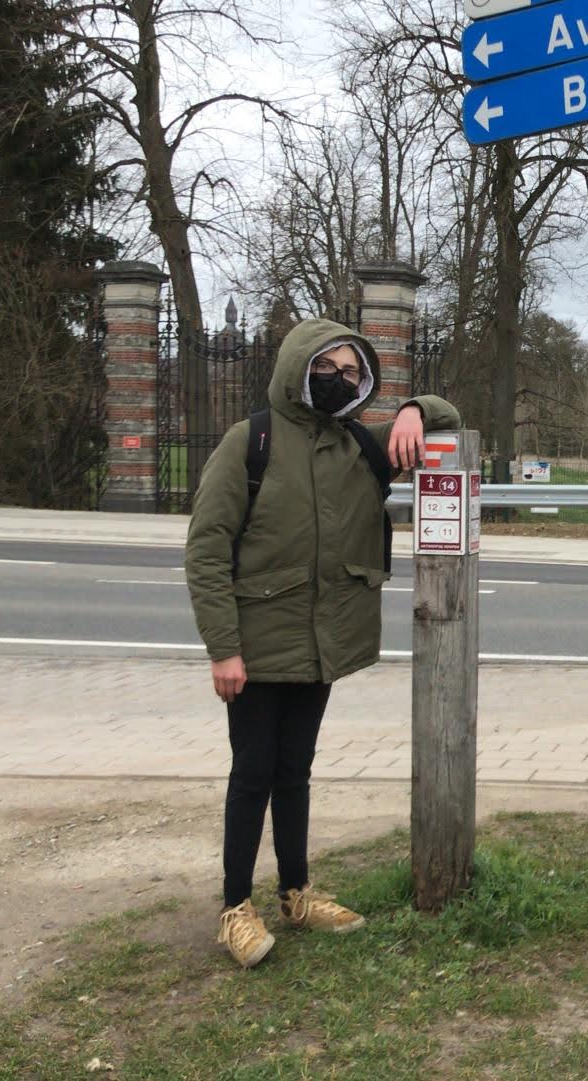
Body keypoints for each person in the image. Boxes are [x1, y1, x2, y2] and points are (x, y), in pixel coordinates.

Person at [185, 317, 460, 969]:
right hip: (257, 645)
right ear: (298, 369)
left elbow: (449, 417)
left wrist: (416, 409)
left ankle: (296, 893)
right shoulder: (249, 441)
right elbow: (206, 549)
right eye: (327, 368)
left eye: (350, 371)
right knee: (253, 773)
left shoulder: (359, 447)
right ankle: (235, 907)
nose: (339, 379)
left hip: (320, 645)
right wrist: (223, 648)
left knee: (295, 771)